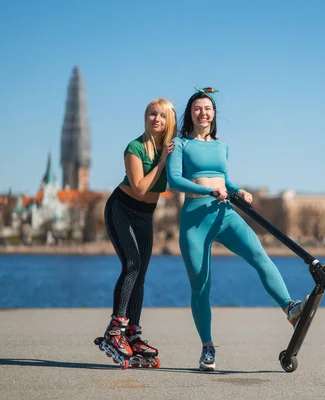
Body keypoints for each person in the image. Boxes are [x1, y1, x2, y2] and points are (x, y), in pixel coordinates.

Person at [167, 87, 307, 371]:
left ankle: (290, 309)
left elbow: (224, 180)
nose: (202, 112)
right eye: (197, 108)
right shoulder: (179, 144)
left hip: (225, 214)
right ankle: (207, 347)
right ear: (190, 114)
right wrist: (208, 191)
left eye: (207, 108)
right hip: (195, 219)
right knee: (201, 286)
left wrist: (238, 190)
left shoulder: (222, 146)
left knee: (259, 255)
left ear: (214, 113)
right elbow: (175, 181)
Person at [100, 97, 177, 365]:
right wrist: (163, 161)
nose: (156, 119)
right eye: (151, 114)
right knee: (131, 264)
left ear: (170, 120)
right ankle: (115, 329)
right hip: (121, 209)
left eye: (162, 115)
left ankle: (132, 333)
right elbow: (141, 188)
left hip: (146, 215)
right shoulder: (135, 148)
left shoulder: (172, 148)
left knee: (141, 273)